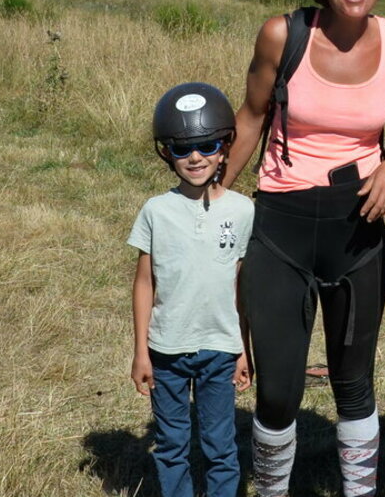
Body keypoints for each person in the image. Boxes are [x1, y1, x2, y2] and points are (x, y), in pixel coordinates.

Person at [219, 0, 385, 497]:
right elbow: (253, 116)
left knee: (354, 381)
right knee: (278, 388)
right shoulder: (283, 35)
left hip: (357, 232)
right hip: (280, 226)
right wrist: (211, 196)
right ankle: (273, 490)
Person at [127, 82, 255, 497]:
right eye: (183, 149)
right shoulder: (155, 211)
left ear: (225, 146)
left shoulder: (242, 210)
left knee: (221, 446)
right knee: (171, 445)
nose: (195, 157)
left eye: (206, 144)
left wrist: (243, 351)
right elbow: (145, 283)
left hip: (221, 349)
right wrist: (141, 351)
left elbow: (241, 286)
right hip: (166, 351)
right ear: (167, 153)